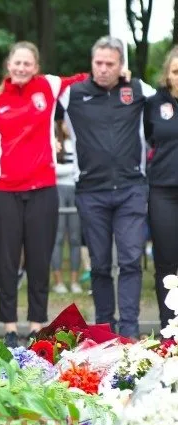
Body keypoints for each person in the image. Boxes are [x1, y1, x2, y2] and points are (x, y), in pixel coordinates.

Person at [0, 41, 88, 347]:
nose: (21, 68)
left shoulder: (48, 86)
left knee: (39, 257)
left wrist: (122, 74)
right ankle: (8, 327)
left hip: (43, 187)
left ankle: (36, 324)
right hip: (4, 189)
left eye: (27, 64)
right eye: (16, 63)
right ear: (8, 66)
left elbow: (84, 80)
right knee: (6, 260)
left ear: (36, 67)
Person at [59, 36, 155, 338]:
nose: (102, 69)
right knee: (99, 265)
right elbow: (33, 97)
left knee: (129, 260)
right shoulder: (72, 94)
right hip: (91, 190)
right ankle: (102, 331)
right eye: (97, 63)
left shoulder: (138, 90)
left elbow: (169, 95)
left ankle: (129, 332)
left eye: (109, 64)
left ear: (121, 66)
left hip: (131, 189)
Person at [145, 46, 178, 330]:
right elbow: (147, 137)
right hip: (162, 191)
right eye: (176, 71)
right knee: (166, 261)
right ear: (168, 74)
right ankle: (169, 328)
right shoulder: (154, 103)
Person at [51, 119, 83, 295]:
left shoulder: (80, 143)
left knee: (75, 239)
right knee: (57, 237)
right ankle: (58, 281)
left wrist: (72, 169)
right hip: (59, 191)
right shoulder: (55, 143)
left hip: (76, 191)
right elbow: (52, 169)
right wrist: (74, 168)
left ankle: (74, 280)